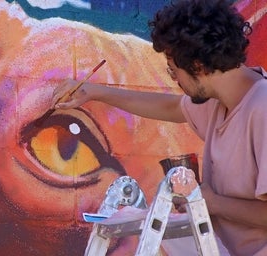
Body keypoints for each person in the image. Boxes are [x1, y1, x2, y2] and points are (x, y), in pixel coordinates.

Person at [51, 0, 267, 255]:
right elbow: (171, 108)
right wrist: (94, 92)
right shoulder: (220, 101)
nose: (175, 81)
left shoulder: (261, 108)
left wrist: (210, 202)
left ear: (197, 67)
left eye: (173, 72)